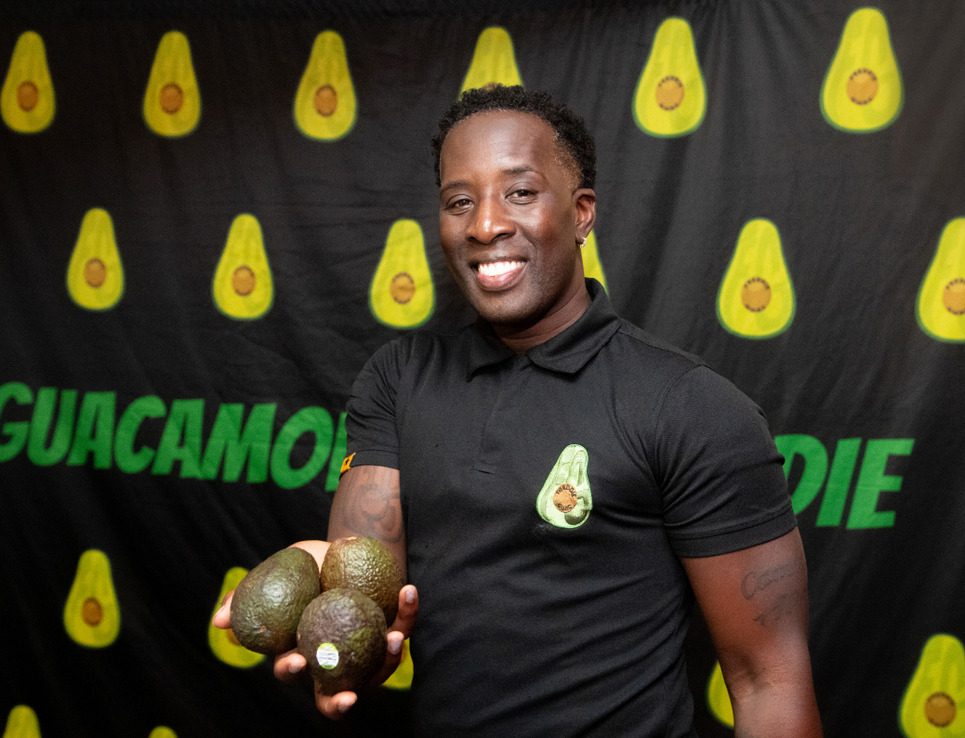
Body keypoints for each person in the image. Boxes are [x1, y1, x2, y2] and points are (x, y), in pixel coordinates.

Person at [215, 84, 822, 736]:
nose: (484, 225)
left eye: (520, 193)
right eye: (459, 201)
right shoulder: (398, 379)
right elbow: (371, 607)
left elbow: (769, 682)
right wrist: (326, 608)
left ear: (582, 212)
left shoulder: (689, 406)